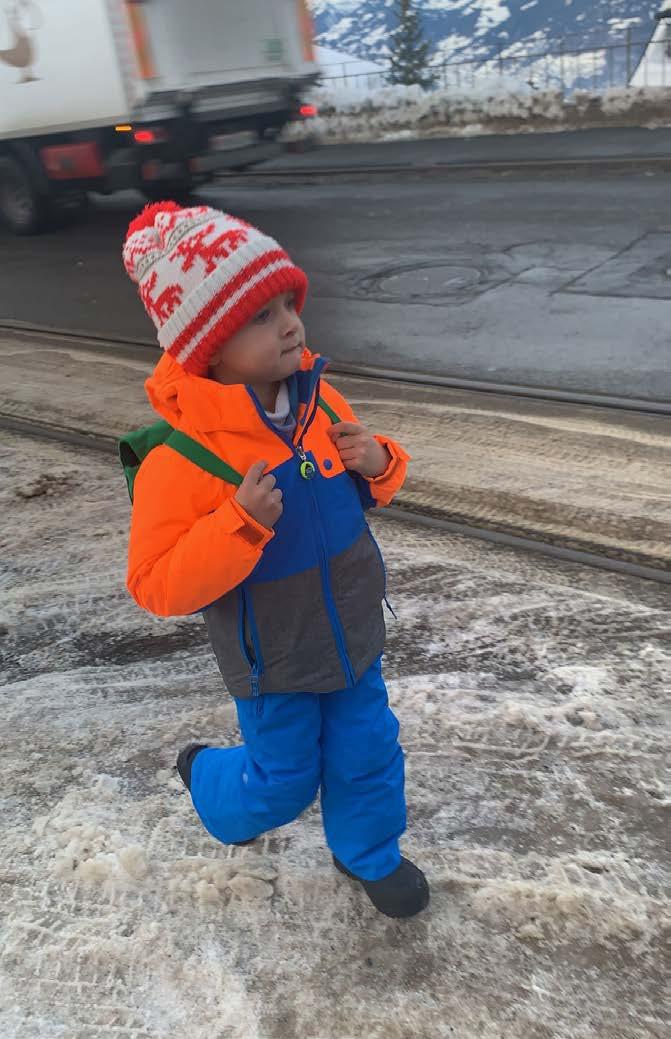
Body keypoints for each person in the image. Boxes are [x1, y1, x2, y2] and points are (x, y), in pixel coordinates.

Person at [123, 201, 429, 918]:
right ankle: (208, 778)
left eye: (289, 303)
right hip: (274, 661)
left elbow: (366, 490)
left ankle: (368, 853)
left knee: (367, 751)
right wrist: (238, 525)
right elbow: (155, 584)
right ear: (209, 347)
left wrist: (380, 462)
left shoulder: (323, 405)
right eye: (262, 315)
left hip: (353, 633)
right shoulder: (183, 460)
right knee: (283, 781)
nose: (291, 324)